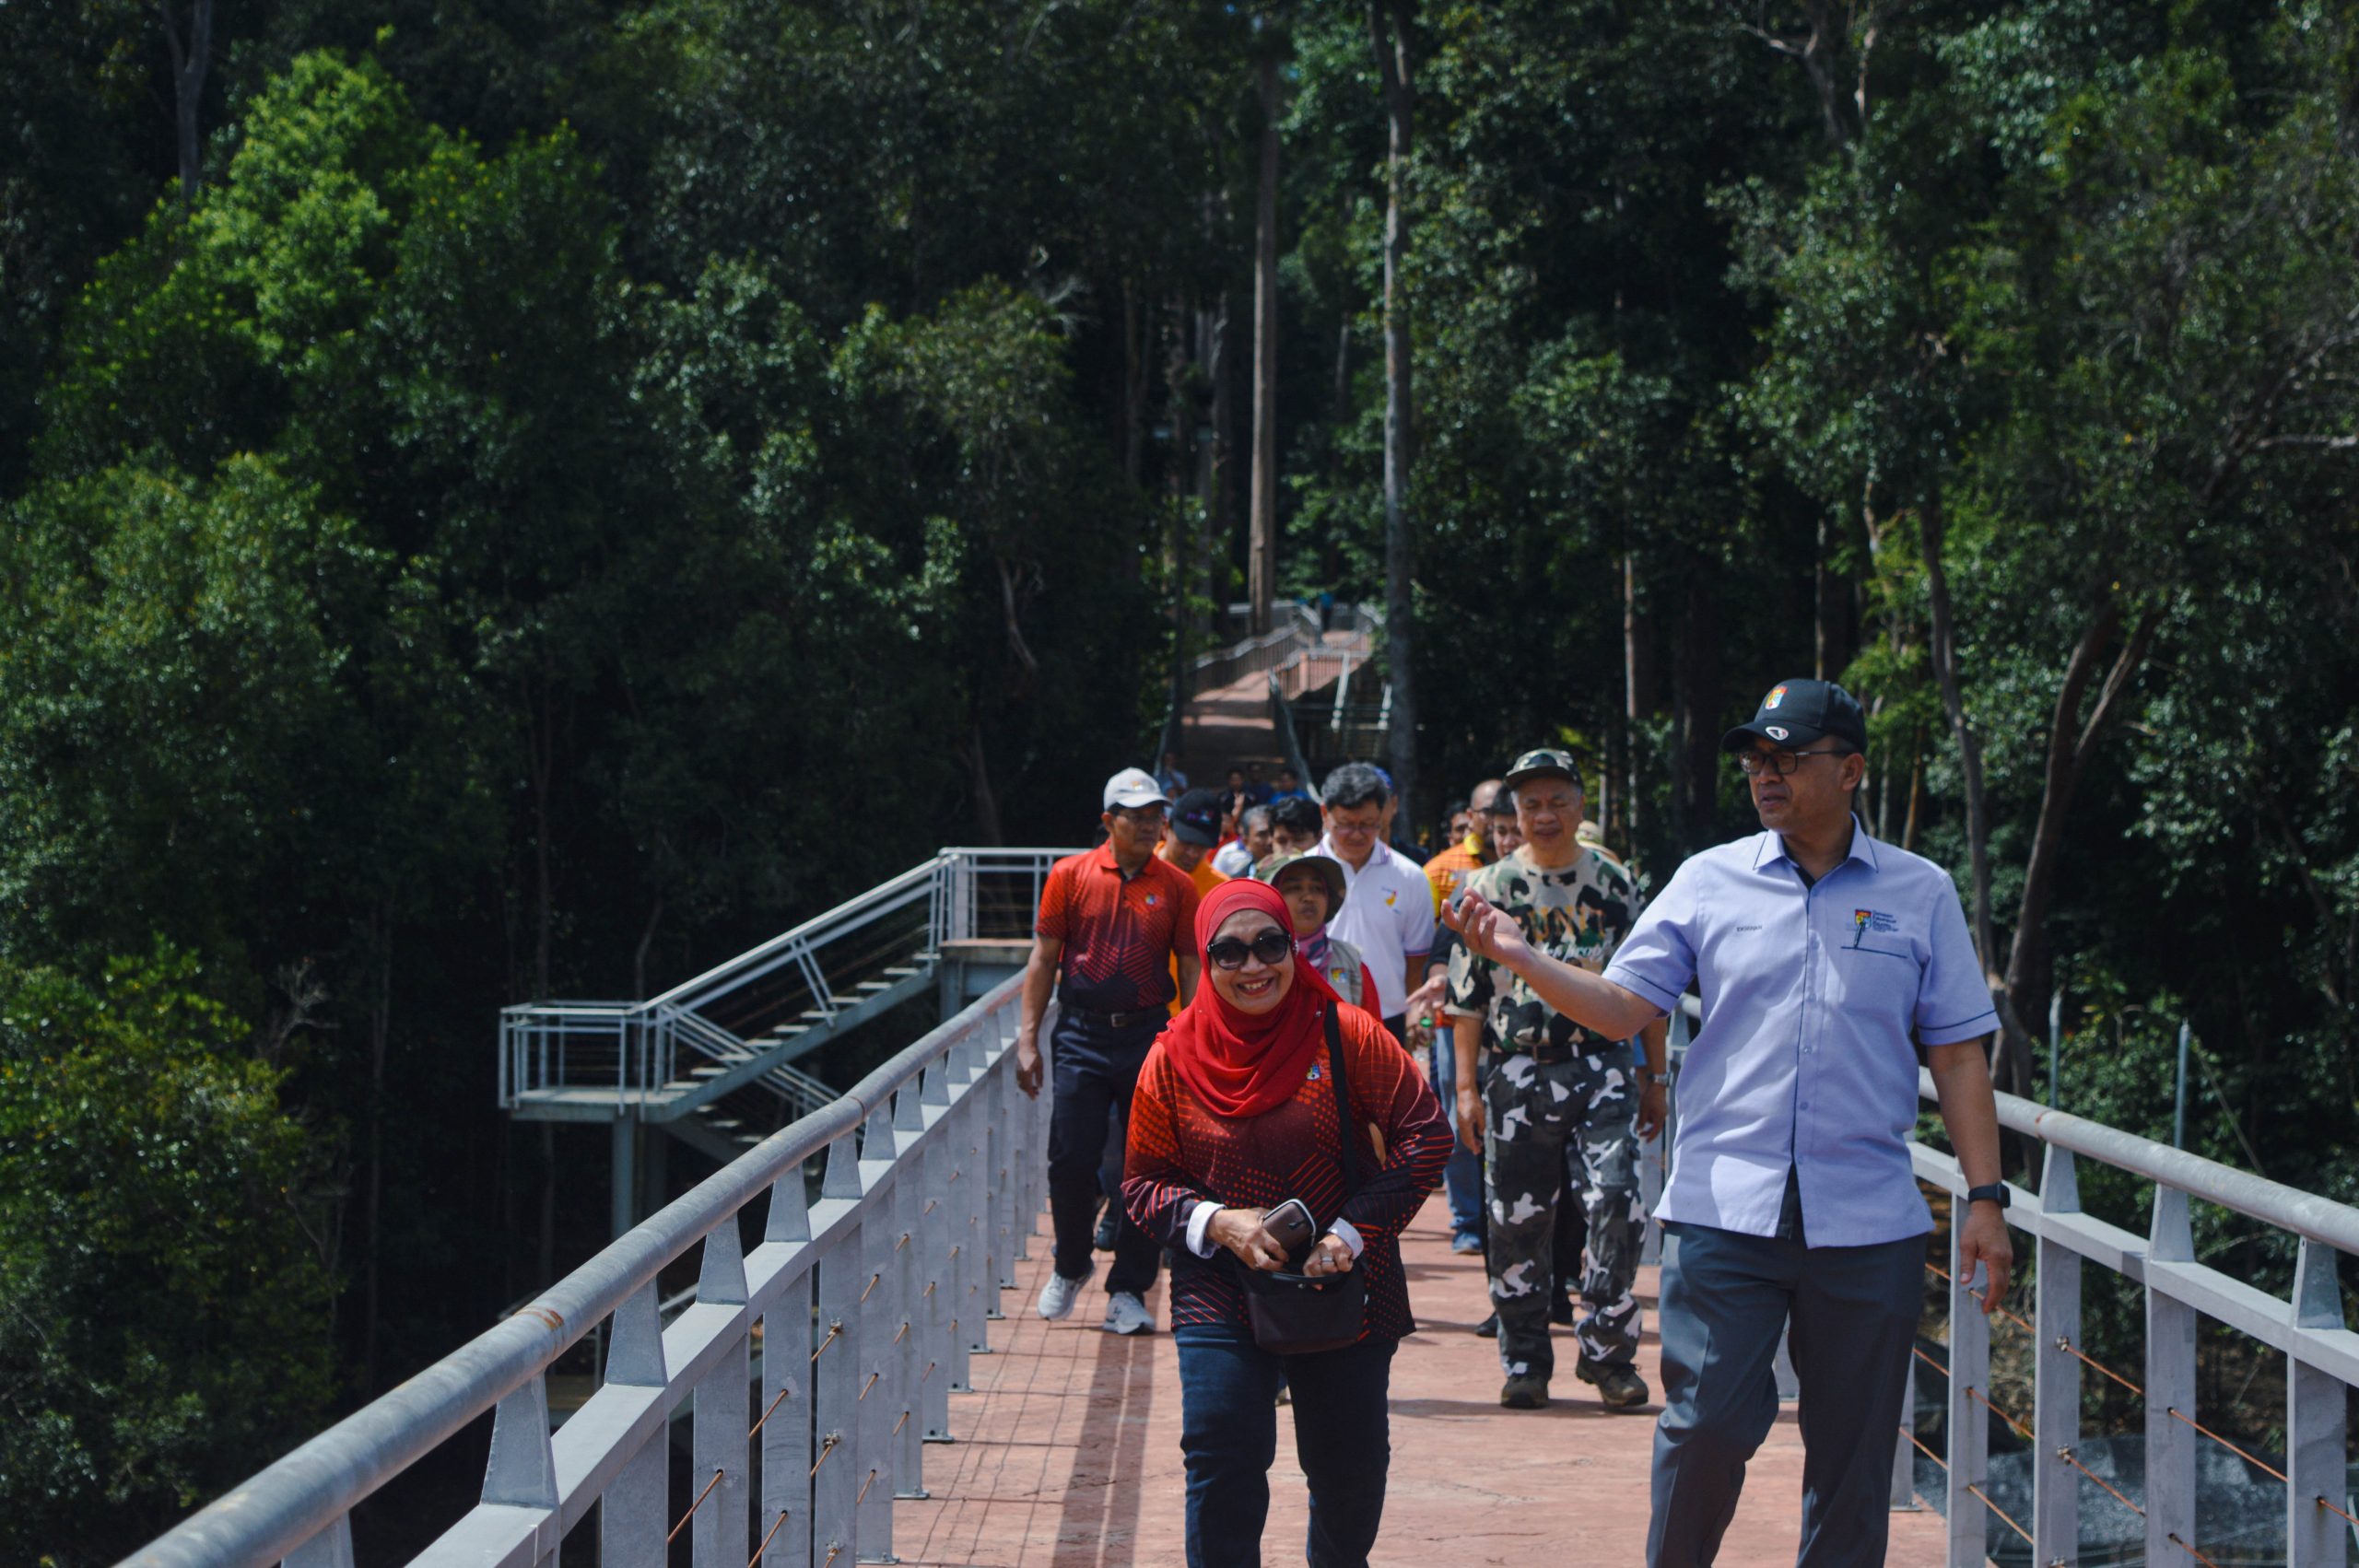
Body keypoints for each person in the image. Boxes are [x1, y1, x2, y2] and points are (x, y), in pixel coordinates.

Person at [1446, 679, 2013, 1568]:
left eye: (1790, 757)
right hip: (1726, 1209)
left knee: (1855, 1460)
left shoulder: (1920, 891)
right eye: (1757, 759)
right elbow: (1621, 1007)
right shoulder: (1708, 880)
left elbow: (1957, 1055)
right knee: (1705, 1426)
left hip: (1867, 1220)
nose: (1767, 775)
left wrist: (1985, 1198)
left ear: (1851, 769)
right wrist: (1519, 954)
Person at [1124, 879, 1451, 1568]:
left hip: (1346, 1280)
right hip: (1220, 1282)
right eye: (1230, 952)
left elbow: (1427, 1137)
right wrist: (1216, 1223)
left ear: (1291, 947)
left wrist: (1352, 1232)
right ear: (1204, 963)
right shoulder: (1171, 1056)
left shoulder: (1346, 1032)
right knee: (1220, 1449)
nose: (1253, 967)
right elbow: (1142, 1182)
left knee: (1349, 1467)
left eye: (1269, 945)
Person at [1445, 748, 1667, 1412]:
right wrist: (1463, 1088)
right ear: (1513, 812)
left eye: (1557, 801)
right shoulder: (1488, 889)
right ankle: (1524, 1361)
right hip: (1518, 1069)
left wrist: (1655, 1075)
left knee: (1617, 1202)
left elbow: (1648, 986)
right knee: (1516, 1218)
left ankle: (1607, 1356)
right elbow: (1465, 999)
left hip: (1602, 1064)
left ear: (1579, 805)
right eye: (1530, 804)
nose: (1545, 815)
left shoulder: (1615, 882)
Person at [1015, 766, 1204, 1337]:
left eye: (1156, 816)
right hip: (1079, 1033)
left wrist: (1191, 1040)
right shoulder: (1070, 876)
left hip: (1149, 1034)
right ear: (1108, 820)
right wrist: (1027, 1039)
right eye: (1137, 816)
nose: (1151, 825)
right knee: (1071, 1159)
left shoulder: (1176, 885)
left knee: (1143, 1165)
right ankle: (1071, 1264)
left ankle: (1129, 1288)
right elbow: (1043, 959)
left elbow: (1191, 965)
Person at [1402, 776, 1505, 1256]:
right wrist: (1432, 998)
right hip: (1455, 1020)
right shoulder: (1447, 871)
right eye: (1491, 815)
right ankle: (1468, 1219)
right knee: (1459, 1114)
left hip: (1515, 1022)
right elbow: (1435, 947)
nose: (1499, 827)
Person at [1314, 763, 1436, 1037]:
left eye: (1369, 825)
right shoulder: (1302, 873)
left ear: (1384, 814)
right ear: (1325, 813)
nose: (1357, 835)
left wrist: (1413, 1010)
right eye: (1345, 825)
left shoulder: (1410, 876)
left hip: (1387, 1018)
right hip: (1315, 1015)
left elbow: (1417, 956)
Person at [1257, 850, 1377, 1010]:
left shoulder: (1351, 962)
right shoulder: (1255, 962)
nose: (1308, 897)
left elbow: (1373, 1031)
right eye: (1294, 888)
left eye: (1317, 888)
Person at [1213, 804, 1273, 879]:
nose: (1271, 840)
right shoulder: (1236, 884)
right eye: (1262, 834)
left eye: (1274, 832)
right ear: (1246, 842)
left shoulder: (1289, 875)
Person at [1266, 795, 1323, 859]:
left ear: (1319, 837)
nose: (1290, 849)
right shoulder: (1262, 867)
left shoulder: (1334, 867)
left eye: (1298, 840)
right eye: (1281, 841)